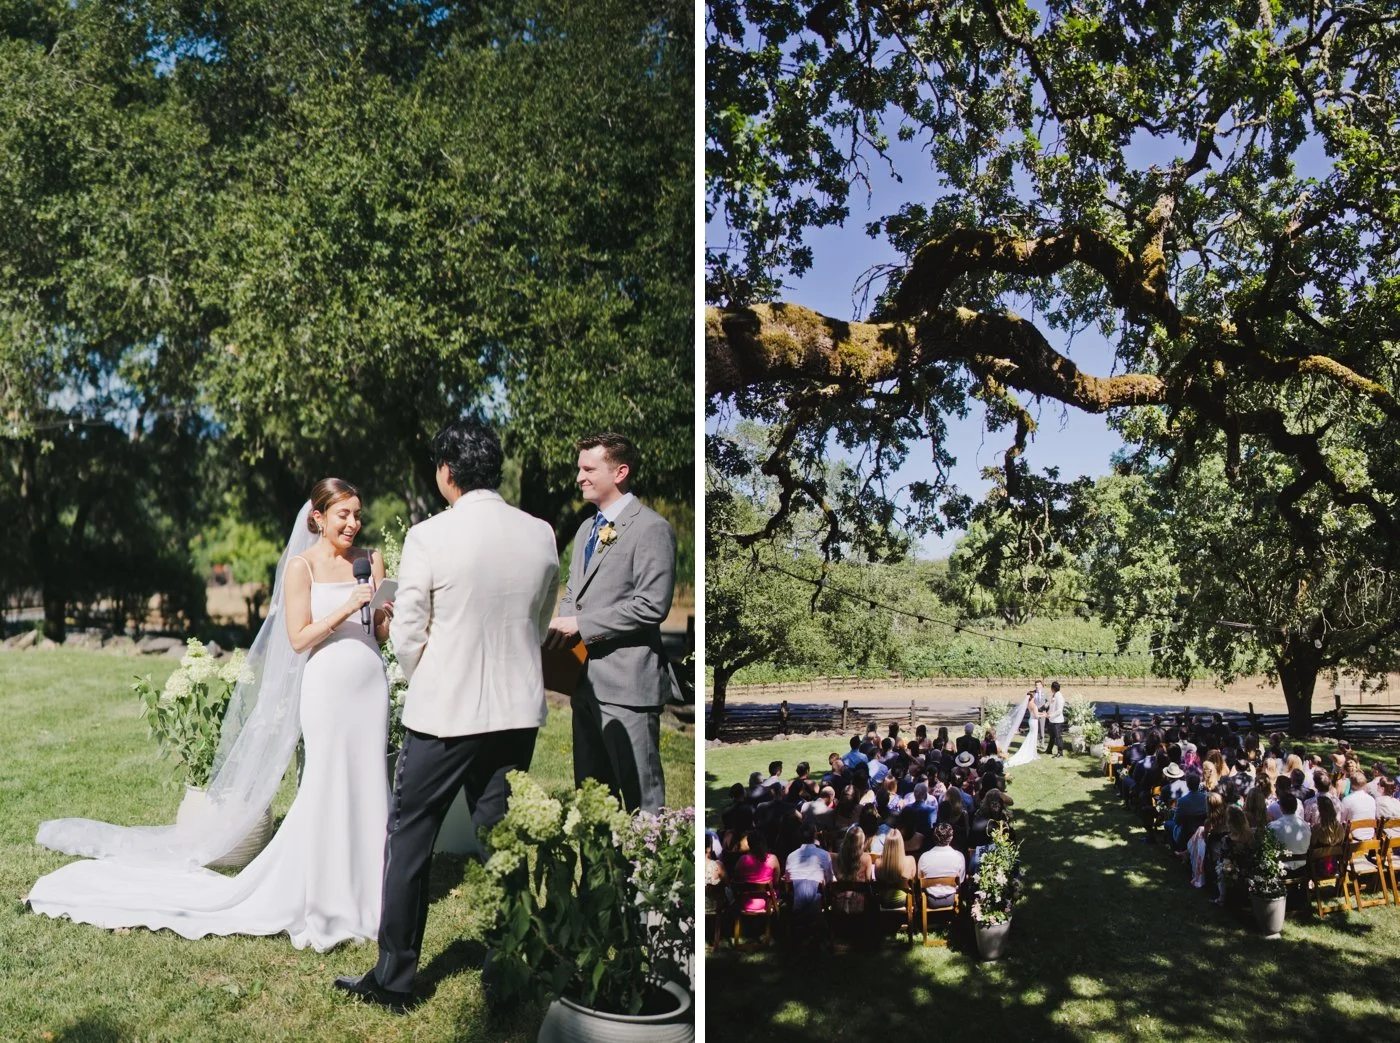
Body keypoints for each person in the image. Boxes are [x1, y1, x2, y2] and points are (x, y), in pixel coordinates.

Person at [29, 480, 393, 952]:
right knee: (328, 781)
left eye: (357, 514)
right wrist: (347, 606)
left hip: (369, 686)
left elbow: (378, 634)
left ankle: (377, 893)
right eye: (342, 514)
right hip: (326, 688)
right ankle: (326, 894)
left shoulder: (372, 561)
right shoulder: (302, 568)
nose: (352, 523)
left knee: (369, 780)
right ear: (318, 518)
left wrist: (383, 614)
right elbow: (299, 638)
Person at [337, 419, 559, 1012]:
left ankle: (395, 978)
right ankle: (509, 968)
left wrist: (430, 673)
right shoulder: (541, 533)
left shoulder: (430, 536)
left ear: (446, 473)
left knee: (410, 840)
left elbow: (408, 630)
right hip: (515, 712)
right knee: (502, 842)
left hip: (443, 715)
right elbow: (539, 622)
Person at [547, 432, 677, 813]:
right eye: (579, 469)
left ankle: (648, 872)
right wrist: (562, 619)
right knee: (592, 800)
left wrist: (582, 625)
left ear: (620, 471)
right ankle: (598, 874)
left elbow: (652, 605)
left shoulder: (651, 528)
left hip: (628, 687)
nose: (579, 477)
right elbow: (574, 590)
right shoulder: (587, 529)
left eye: (589, 469)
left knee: (642, 803)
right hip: (583, 683)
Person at [1043, 680, 1066, 757]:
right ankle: (1049, 750)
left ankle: (1060, 752)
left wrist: (1050, 715)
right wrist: (1049, 712)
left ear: (1052, 688)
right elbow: (1052, 707)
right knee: (1052, 736)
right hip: (1052, 720)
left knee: (1058, 737)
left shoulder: (1059, 697)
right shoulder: (1054, 696)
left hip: (1057, 721)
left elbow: (1059, 711)